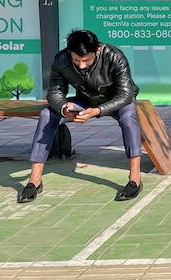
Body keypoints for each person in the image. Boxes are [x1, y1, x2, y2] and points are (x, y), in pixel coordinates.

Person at [18, 29, 144, 203]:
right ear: (69, 53)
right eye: (76, 60)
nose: (81, 65)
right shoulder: (61, 59)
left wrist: (97, 111)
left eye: (86, 60)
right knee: (47, 114)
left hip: (117, 100)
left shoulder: (115, 56)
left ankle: (135, 179)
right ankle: (34, 180)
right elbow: (54, 93)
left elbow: (125, 94)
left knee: (129, 117)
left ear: (97, 51)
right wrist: (64, 109)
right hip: (85, 100)